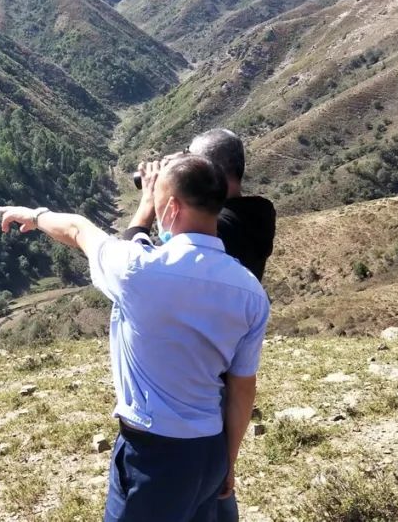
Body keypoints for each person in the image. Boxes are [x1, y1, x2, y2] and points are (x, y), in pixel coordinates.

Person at [0, 155, 269, 522]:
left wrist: (35, 215)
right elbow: (242, 390)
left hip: (154, 454)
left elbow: (77, 229)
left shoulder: (137, 269)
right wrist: (228, 462)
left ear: (171, 208)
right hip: (209, 449)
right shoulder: (249, 291)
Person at [126, 129, 275, 521]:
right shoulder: (259, 215)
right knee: (215, 478)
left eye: (193, 162)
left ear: (215, 174)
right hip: (223, 369)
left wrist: (151, 205)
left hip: (198, 387)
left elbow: (146, 271)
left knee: (202, 482)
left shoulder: (224, 228)